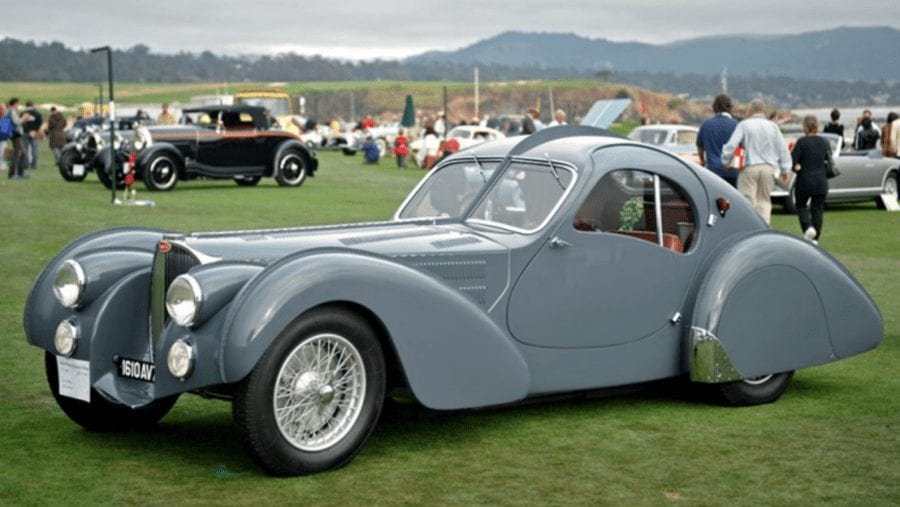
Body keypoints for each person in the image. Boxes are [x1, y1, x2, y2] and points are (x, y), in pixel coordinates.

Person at [721, 98, 792, 224]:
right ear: (763, 110)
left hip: (749, 167)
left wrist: (725, 160)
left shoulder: (744, 125)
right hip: (768, 168)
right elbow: (782, 149)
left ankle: (749, 227)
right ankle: (764, 229)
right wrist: (785, 169)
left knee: (747, 201)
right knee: (764, 201)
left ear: (751, 110)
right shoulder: (773, 126)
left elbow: (731, 145)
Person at [696, 93, 739, 187]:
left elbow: (700, 147)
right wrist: (737, 167)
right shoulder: (736, 125)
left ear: (714, 107)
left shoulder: (706, 125)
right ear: (730, 107)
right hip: (732, 171)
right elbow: (740, 149)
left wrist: (702, 160)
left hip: (713, 172)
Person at [6, 98, 28, 179]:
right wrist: (24, 118)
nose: (18, 105)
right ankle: (13, 174)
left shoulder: (10, 111)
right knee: (18, 153)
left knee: (21, 153)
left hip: (14, 135)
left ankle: (19, 172)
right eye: (18, 104)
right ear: (14, 104)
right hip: (15, 135)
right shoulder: (12, 111)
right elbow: (17, 122)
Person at [22, 101, 43, 169]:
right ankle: (34, 165)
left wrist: (28, 131)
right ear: (32, 105)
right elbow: (40, 122)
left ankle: (26, 164)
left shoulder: (23, 113)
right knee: (35, 149)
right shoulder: (37, 113)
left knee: (25, 149)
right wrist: (34, 130)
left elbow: (22, 123)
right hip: (34, 133)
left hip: (25, 133)